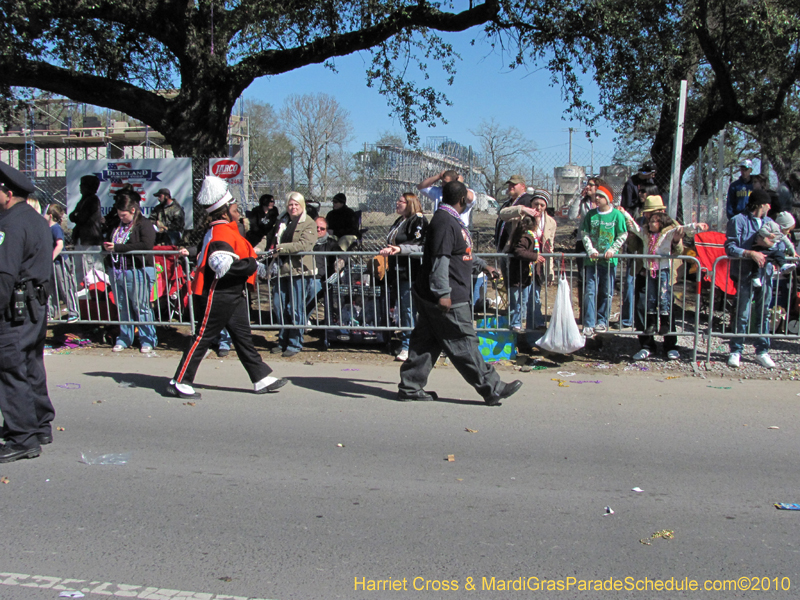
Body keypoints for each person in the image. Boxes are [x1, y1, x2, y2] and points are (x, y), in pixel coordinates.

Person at [398, 181, 522, 406]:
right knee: (464, 341)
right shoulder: (444, 222)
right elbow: (440, 260)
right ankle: (492, 387)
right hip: (448, 295)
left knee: (426, 341)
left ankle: (410, 386)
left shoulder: (449, 220)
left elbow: (460, 253)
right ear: (463, 199)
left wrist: (483, 265)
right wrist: (443, 293)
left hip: (435, 293)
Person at [168, 175, 287, 399]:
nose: (238, 209)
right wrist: (251, 265)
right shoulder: (221, 231)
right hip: (218, 293)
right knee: (203, 336)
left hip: (233, 293)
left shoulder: (227, 229)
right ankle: (180, 380)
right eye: (234, 206)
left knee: (243, 337)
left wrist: (256, 265)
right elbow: (220, 266)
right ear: (224, 211)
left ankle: (260, 377)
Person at [0, 161, 55, 462]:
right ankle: (39, 424)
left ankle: (22, 437)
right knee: (32, 365)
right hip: (34, 306)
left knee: (11, 369)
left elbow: (4, 275)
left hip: (14, 310)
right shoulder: (35, 219)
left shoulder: (9, 223)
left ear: (7, 193)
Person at [621, 196, 708, 360]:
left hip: (664, 271)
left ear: (661, 213)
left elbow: (679, 248)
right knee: (643, 305)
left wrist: (679, 238)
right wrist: (630, 230)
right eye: (647, 214)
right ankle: (647, 344)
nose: (649, 217)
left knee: (665, 303)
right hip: (644, 270)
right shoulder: (644, 227)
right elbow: (635, 239)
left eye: (652, 214)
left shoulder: (671, 226)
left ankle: (670, 344)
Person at [725, 189, 777, 369]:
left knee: (764, 312)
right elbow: (730, 247)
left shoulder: (770, 223)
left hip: (766, 274)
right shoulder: (738, 221)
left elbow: (777, 243)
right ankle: (736, 350)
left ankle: (762, 350)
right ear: (761, 204)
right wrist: (749, 253)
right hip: (744, 273)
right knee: (742, 313)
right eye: (768, 203)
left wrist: (771, 246)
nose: (770, 207)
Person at [102, 186, 158, 353]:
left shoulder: (144, 224)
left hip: (138, 270)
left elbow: (146, 245)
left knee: (140, 306)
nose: (121, 217)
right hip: (118, 270)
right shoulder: (116, 225)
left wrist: (119, 248)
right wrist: (107, 247)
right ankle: (124, 337)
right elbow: (107, 238)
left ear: (133, 210)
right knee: (123, 305)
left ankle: (147, 338)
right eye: (119, 214)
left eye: (124, 215)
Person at [378, 193, 428, 361]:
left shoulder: (418, 220)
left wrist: (400, 249)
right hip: (397, 272)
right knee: (404, 310)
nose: (397, 203)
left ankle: (409, 346)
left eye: (400, 201)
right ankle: (407, 342)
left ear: (410, 203)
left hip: (411, 273)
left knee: (409, 310)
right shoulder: (400, 221)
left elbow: (420, 244)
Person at [271, 191, 317, 357]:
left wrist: (281, 249)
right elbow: (270, 239)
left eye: (296, 204)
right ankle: (282, 340)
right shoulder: (281, 221)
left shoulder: (308, 223)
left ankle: (295, 343)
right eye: (290, 204)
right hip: (281, 269)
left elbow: (305, 244)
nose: (293, 207)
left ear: (302, 205)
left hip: (299, 270)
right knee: (279, 306)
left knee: (296, 309)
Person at [581, 184, 627, 338]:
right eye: (596, 196)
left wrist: (613, 249)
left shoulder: (616, 215)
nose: (597, 198)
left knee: (606, 292)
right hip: (592, 261)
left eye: (600, 196)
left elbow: (622, 234)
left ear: (607, 198)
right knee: (590, 291)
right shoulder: (591, 215)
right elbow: (585, 233)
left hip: (609, 262)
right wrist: (591, 250)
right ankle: (588, 323)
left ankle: (602, 321)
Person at [69, 174, 104, 290]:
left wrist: (77, 215)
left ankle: (94, 291)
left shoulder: (93, 200)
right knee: (79, 267)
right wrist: (76, 215)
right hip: (81, 239)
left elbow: (81, 218)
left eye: (82, 185)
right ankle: (80, 291)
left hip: (90, 240)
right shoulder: (83, 200)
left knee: (90, 267)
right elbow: (72, 216)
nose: (80, 188)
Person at [45, 204, 79, 322]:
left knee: (65, 287)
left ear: (50, 215)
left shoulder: (55, 228)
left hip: (60, 262)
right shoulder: (46, 228)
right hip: (52, 264)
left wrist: (51, 258)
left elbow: (60, 245)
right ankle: (50, 313)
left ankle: (73, 311)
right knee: (50, 289)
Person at [306, 216, 340, 332]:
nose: (319, 230)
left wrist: (340, 262)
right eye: (316, 228)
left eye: (322, 228)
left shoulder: (331, 243)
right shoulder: (305, 242)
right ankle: (297, 321)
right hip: (301, 276)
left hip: (319, 279)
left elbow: (342, 254)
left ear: (327, 230)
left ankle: (301, 320)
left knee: (312, 288)